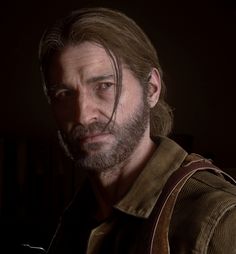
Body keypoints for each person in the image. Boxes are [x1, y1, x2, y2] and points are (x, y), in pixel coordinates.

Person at [38, 7, 236, 254]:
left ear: (151, 89)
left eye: (104, 86)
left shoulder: (220, 220)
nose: (83, 115)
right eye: (64, 94)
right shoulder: (76, 218)